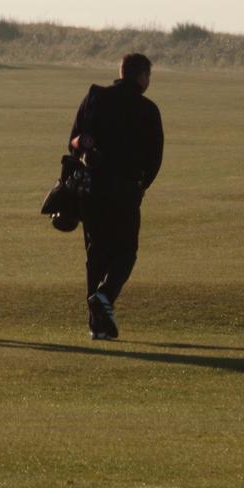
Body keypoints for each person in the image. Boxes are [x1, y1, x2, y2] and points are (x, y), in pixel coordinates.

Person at [69, 53, 164, 340]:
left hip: (92, 188)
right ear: (142, 77)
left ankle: (98, 325)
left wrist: (84, 146)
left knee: (96, 253)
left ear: (121, 72)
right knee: (125, 251)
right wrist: (142, 185)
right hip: (125, 190)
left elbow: (73, 141)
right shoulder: (147, 109)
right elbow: (154, 156)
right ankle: (105, 296)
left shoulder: (94, 98)